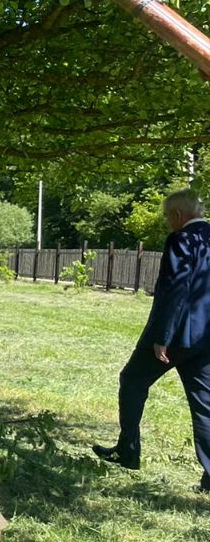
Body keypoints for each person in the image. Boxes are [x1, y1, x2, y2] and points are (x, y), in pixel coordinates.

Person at [94, 189, 210, 490]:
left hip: (176, 336)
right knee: (205, 405)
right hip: (207, 338)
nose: (167, 222)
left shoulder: (182, 240)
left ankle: (128, 452)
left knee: (132, 380)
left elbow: (176, 289)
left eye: (166, 217)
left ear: (177, 215)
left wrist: (163, 336)